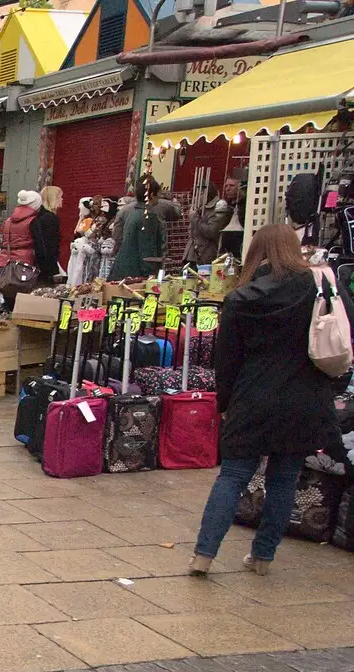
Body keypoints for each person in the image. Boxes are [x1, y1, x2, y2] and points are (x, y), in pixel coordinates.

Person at [190, 224, 343, 576]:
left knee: (232, 477)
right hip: (303, 397)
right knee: (284, 479)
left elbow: (226, 361)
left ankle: (204, 555)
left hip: (252, 397)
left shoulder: (240, 299)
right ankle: (262, 557)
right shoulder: (315, 288)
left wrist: (225, 404)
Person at [111, 179, 166, 279]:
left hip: (123, 269)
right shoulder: (148, 217)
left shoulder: (134, 213)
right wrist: (149, 274)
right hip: (135, 274)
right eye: (158, 193)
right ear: (152, 195)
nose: (160, 196)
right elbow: (147, 248)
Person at [185, 178, 241, 266]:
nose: (195, 198)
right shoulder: (199, 209)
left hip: (207, 256)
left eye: (198, 194)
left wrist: (195, 219)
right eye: (226, 186)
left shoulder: (219, 207)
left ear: (205, 193)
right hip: (192, 255)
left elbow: (212, 232)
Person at [32, 186, 64, 285]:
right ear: (53, 198)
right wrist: (54, 270)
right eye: (59, 197)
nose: (62, 199)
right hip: (47, 266)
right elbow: (51, 245)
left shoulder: (39, 216)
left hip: (39, 263)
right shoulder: (50, 218)